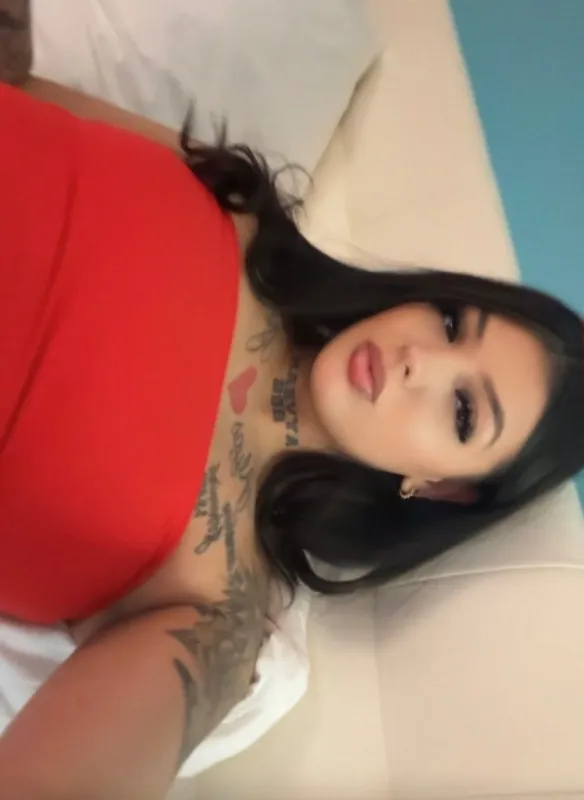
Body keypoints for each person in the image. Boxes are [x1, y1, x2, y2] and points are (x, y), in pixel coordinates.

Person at [1, 4, 584, 798]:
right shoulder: (244, 212)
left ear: (443, 488)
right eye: (452, 323)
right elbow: (25, 87)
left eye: (461, 412)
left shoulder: (222, 609)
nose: (420, 359)